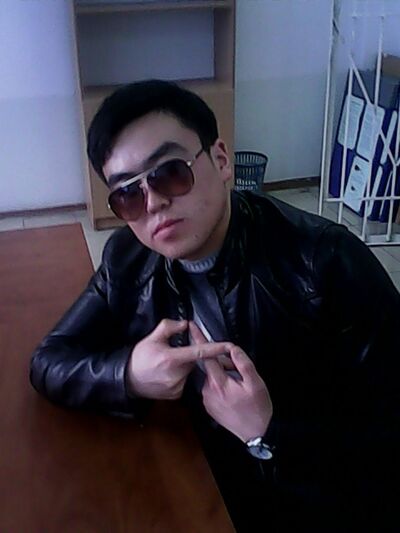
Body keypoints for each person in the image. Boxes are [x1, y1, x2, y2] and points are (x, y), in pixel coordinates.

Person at [31, 80, 400, 532]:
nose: (154, 203)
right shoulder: (128, 259)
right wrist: (130, 375)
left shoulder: (324, 264)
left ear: (221, 160)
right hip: (191, 477)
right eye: (128, 193)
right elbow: (50, 360)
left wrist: (267, 432)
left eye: (170, 172)